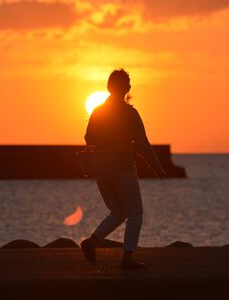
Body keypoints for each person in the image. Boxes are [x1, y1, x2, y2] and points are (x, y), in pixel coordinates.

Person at [80, 69, 165, 269]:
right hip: (122, 168)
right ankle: (127, 258)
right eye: (128, 83)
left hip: (101, 169)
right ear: (126, 88)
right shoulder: (130, 113)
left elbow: (89, 138)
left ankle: (92, 242)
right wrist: (157, 168)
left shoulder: (98, 111)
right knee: (134, 212)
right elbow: (143, 144)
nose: (130, 86)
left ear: (109, 87)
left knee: (118, 212)